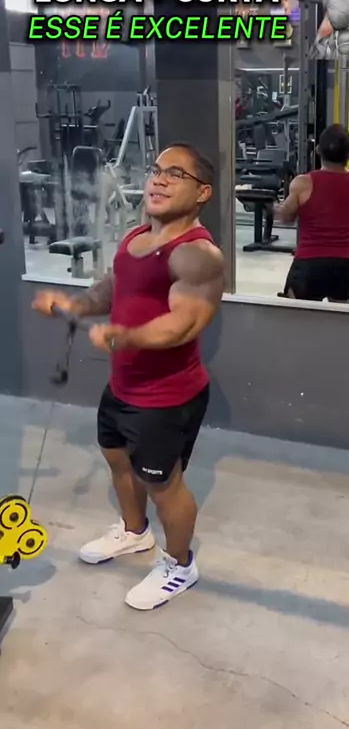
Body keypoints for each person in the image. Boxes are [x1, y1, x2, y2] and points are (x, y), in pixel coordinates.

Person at [33, 143, 225, 611]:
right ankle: (135, 532)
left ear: (203, 192)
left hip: (166, 397)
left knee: (164, 485)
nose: (158, 179)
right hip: (123, 386)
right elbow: (114, 287)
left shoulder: (197, 255)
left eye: (175, 174)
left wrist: (128, 336)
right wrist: (74, 306)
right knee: (119, 462)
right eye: (157, 170)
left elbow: (186, 323)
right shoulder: (137, 236)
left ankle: (180, 566)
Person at [275, 124, 349, 302]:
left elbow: (287, 218)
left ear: (318, 150)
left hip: (308, 264)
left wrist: (275, 209)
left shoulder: (302, 183)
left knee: (297, 317)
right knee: (336, 318)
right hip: (343, 265)